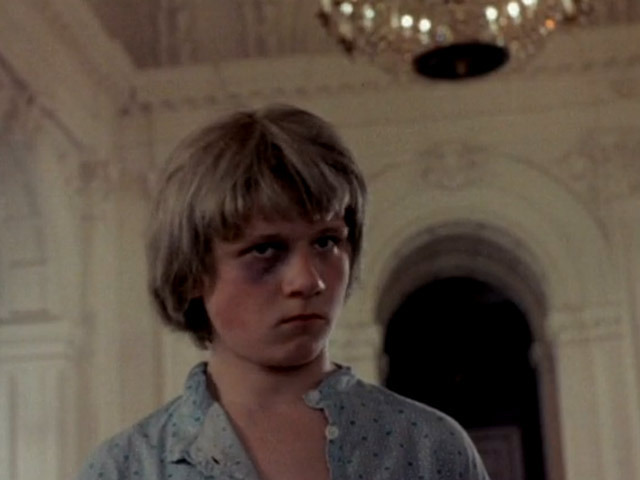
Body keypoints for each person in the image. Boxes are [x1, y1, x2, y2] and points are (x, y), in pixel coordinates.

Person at [77, 104, 490, 480]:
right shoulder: (127, 469)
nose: (309, 281)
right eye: (265, 250)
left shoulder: (429, 448)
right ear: (192, 272)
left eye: (327, 242)